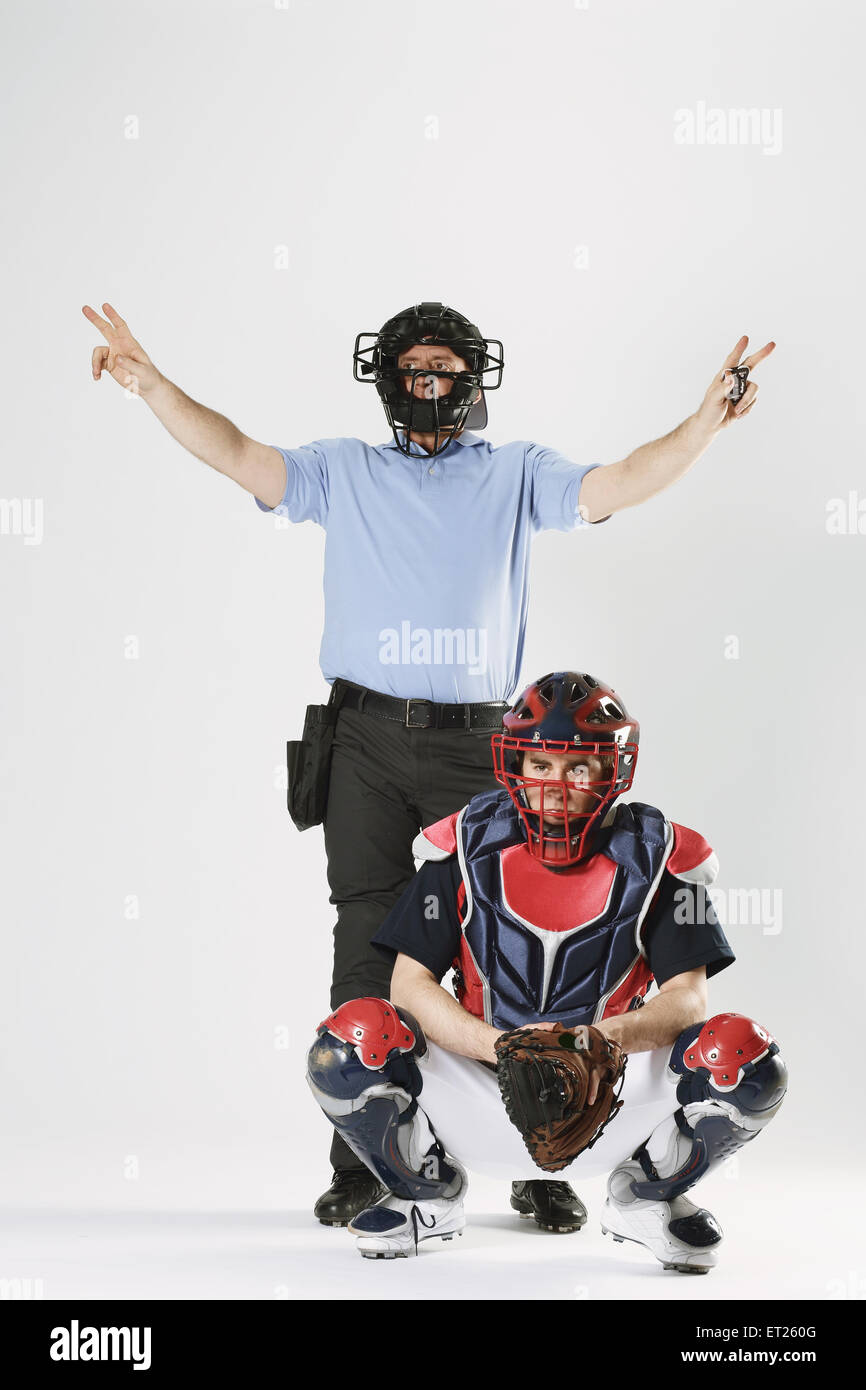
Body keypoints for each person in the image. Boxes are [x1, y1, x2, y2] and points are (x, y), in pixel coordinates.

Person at [82, 299, 775, 1227]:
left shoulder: (516, 474)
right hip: (362, 734)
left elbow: (615, 484)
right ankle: (371, 1160)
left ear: (474, 378)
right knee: (367, 940)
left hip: (480, 737)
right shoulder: (342, 470)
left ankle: (545, 1161)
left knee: (513, 938)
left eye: (448, 367)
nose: (433, 382)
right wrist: (152, 384)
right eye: (417, 368)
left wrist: (702, 426)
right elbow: (238, 451)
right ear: (389, 378)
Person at [306, 671, 788, 1270]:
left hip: (607, 1098)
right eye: (542, 765)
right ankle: (424, 1191)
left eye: (579, 768)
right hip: (481, 1093)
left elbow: (689, 1001)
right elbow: (409, 985)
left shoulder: (664, 856)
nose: (557, 786)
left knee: (745, 1053)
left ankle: (648, 1193)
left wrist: (590, 1044)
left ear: (613, 770)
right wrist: (503, 1047)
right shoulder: (460, 845)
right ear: (513, 765)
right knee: (351, 1038)